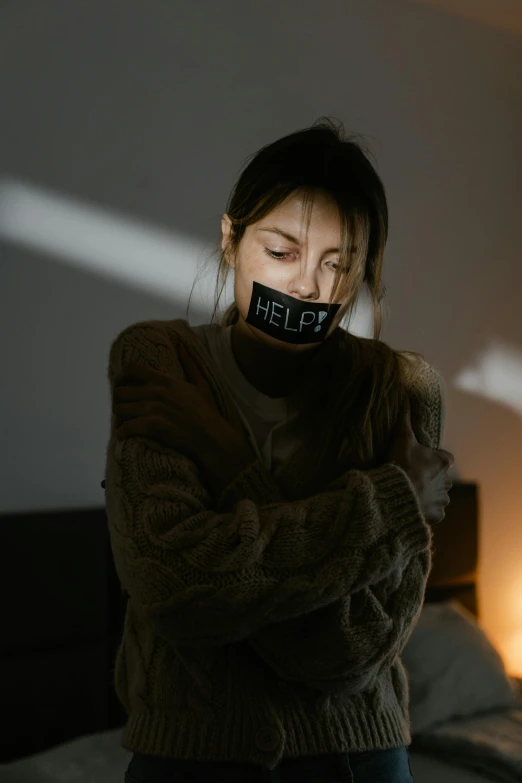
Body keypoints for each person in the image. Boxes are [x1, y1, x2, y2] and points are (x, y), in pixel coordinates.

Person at [104, 117, 454, 783]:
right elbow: (176, 588)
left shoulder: (405, 390)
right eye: (283, 251)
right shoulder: (159, 360)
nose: (309, 289)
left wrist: (221, 456)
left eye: (338, 263)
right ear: (231, 239)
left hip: (361, 760)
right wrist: (390, 503)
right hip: (189, 760)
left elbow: (356, 654)